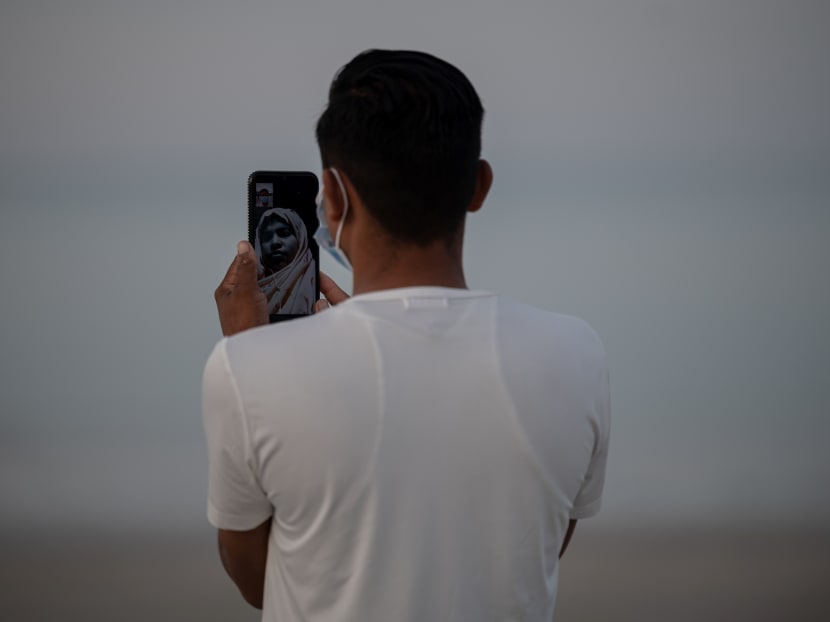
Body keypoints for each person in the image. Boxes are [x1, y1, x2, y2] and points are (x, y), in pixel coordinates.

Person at [204, 49, 610, 622]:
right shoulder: (577, 356)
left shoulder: (249, 369)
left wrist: (249, 349)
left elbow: (256, 578)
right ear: (480, 185)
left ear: (334, 198)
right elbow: (535, 549)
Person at [253, 207, 315, 315]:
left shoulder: (311, 278)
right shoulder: (252, 287)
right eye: (267, 237)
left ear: (300, 239)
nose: (275, 242)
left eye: (284, 233)